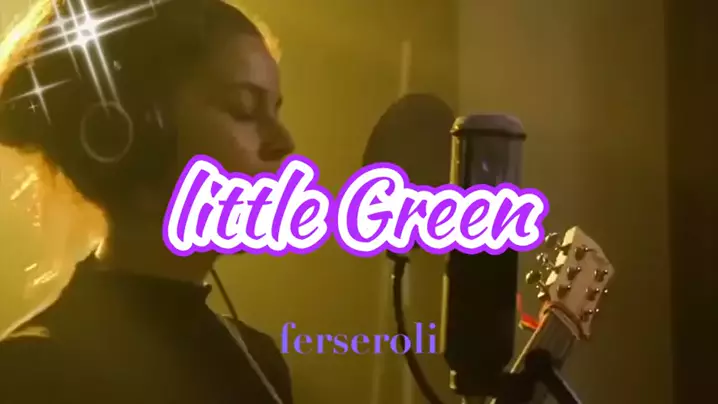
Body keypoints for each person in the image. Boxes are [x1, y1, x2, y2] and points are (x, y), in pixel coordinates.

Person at [0, 0, 294, 402]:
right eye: (244, 108)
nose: (284, 143)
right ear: (138, 138)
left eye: (274, 110)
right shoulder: (32, 371)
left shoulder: (258, 361)